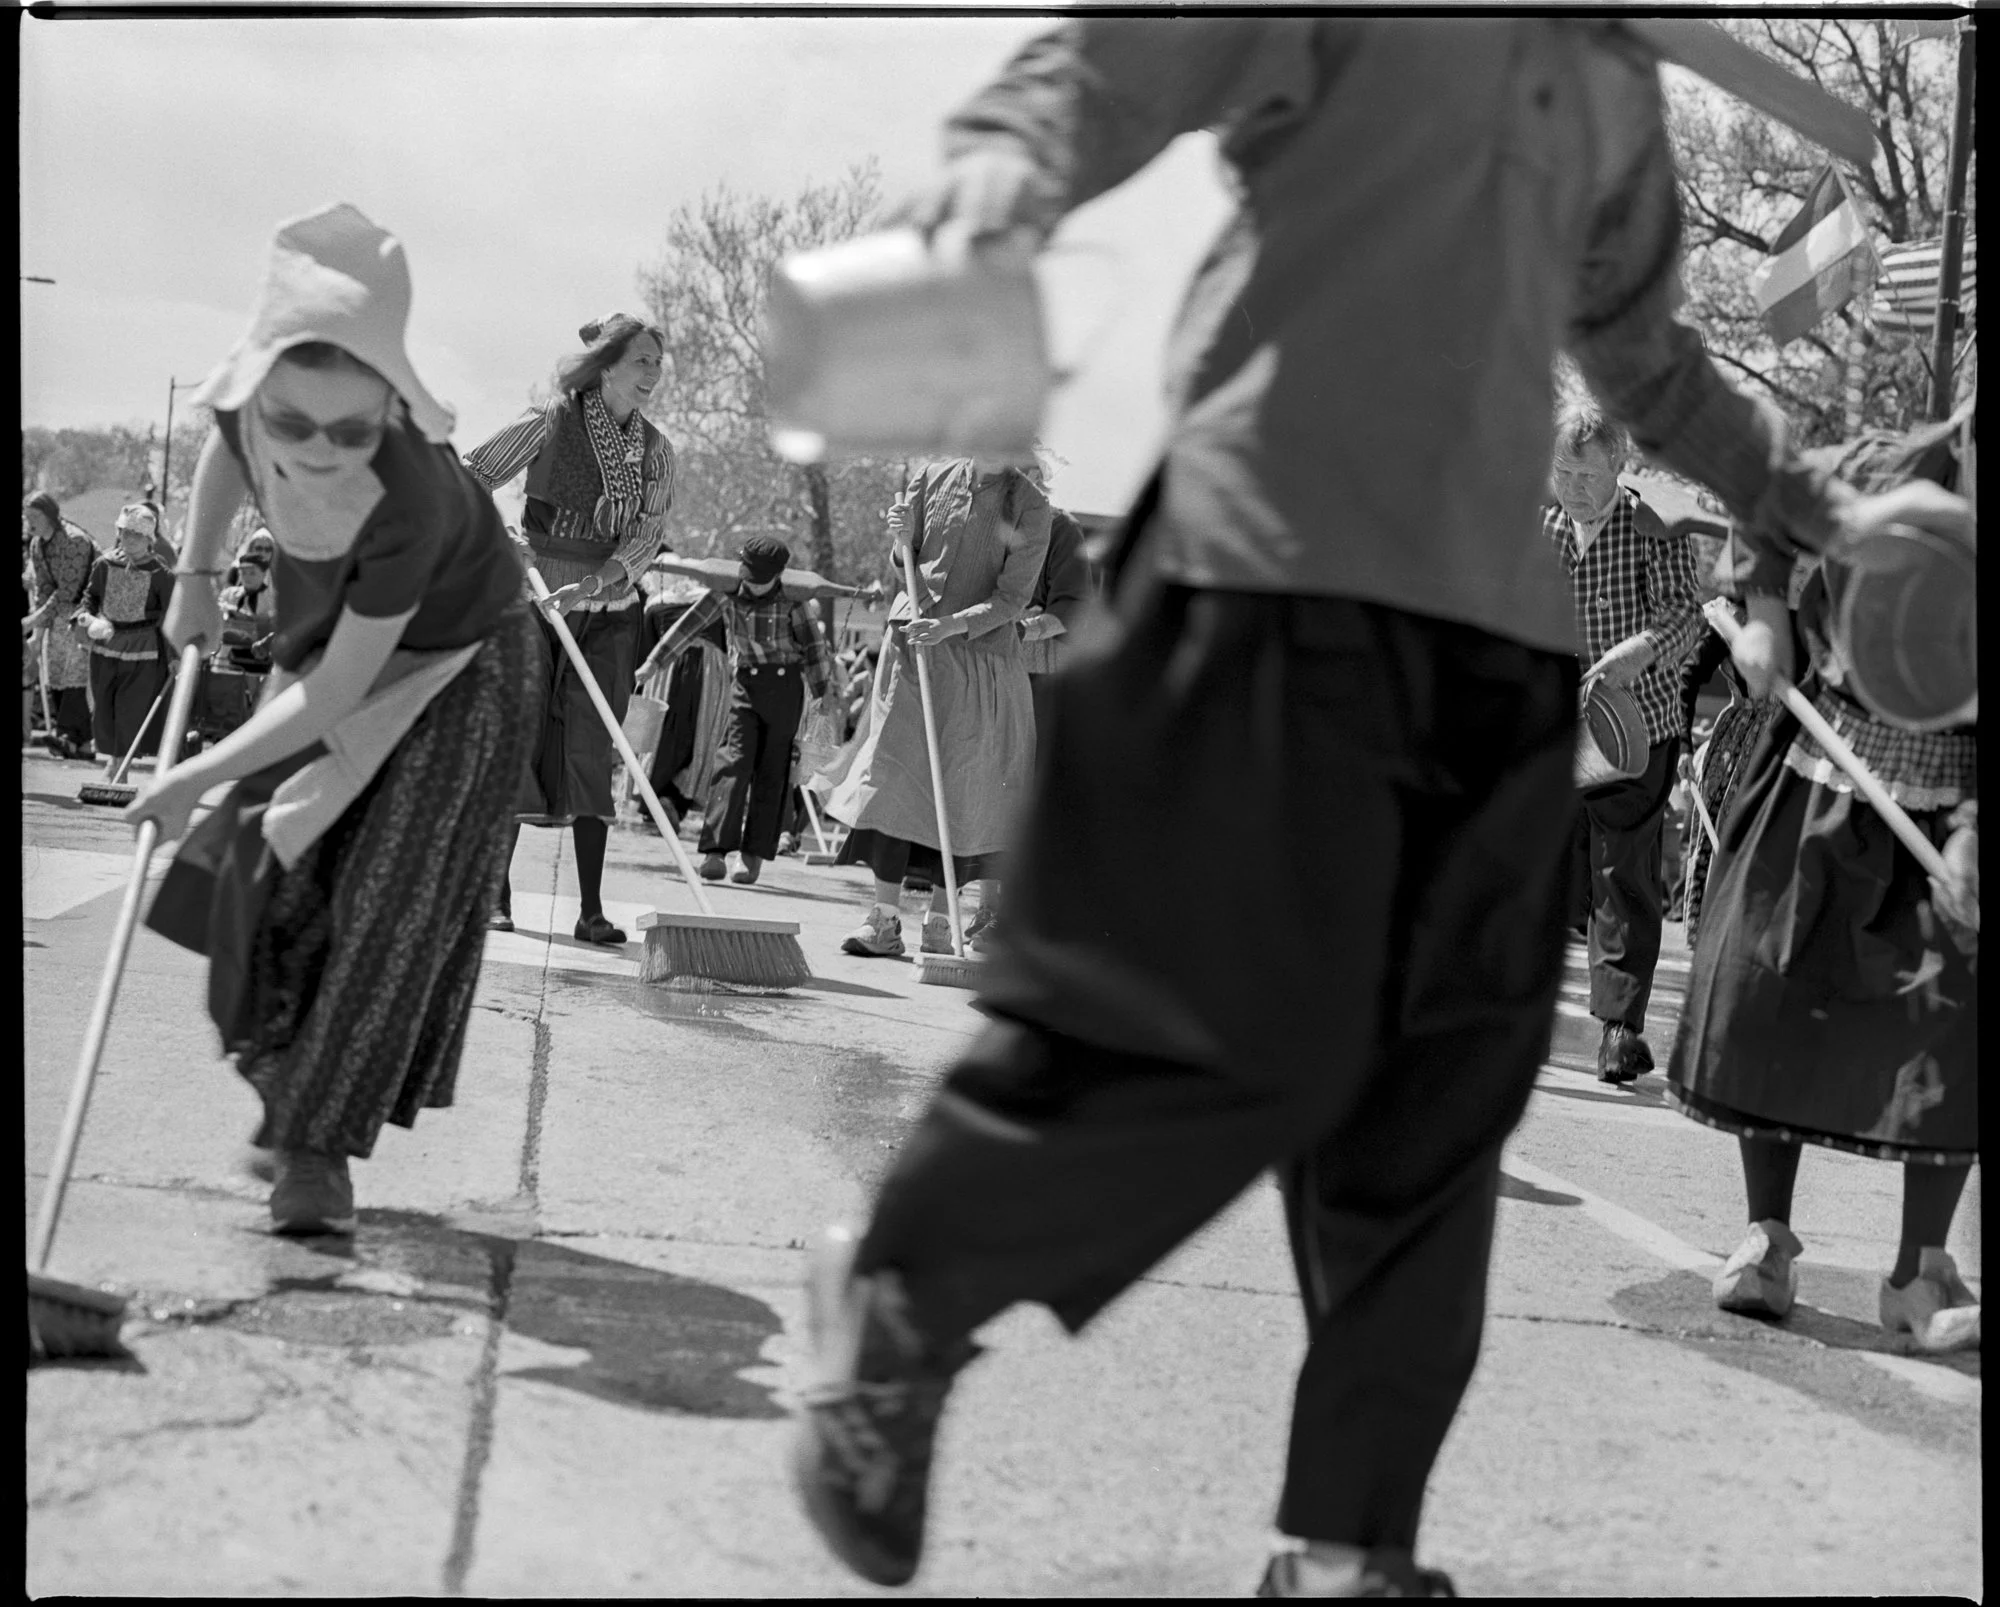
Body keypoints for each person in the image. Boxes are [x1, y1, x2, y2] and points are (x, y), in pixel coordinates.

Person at [783, 19, 1980, 1599]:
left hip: (1494, 646)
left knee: (1440, 1105)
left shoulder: (1612, 87)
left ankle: (1349, 1541)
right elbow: (1109, 68)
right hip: (1263, 575)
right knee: (1200, 1026)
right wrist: (997, 180)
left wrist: (1815, 498)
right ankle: (902, 1301)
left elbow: (1643, 357)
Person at [131, 202, 537, 1237]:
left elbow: (346, 686)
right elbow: (225, 447)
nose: (318, 451)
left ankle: (316, 1154)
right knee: (274, 864)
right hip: (336, 649)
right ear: (261, 390)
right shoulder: (250, 408)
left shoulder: (413, 493)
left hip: (466, 660)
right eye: (294, 424)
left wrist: (189, 776)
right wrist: (196, 569)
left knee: (387, 894)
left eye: (350, 429)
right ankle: (292, 1087)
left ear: (391, 409)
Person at [1667, 428, 1979, 1354]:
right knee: (1767, 993)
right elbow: (1765, 491)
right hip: (1824, 756)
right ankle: (1766, 1235)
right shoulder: (1880, 466)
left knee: (1956, 1025)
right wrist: (1765, 612)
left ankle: (1921, 1271)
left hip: (1956, 788)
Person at [463, 314, 676, 944]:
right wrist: (505, 539)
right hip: (532, 601)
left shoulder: (657, 450)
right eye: (641, 361)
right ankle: (494, 896)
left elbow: (648, 531)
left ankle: (590, 910)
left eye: (657, 364)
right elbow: (471, 474)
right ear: (606, 365)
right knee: (518, 737)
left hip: (607, 607)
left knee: (592, 747)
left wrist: (604, 577)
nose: (653, 374)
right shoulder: (549, 421)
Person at [827, 457, 1050, 958]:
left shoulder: (1032, 507)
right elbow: (906, 559)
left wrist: (951, 626)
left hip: (975, 664)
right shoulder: (931, 477)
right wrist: (899, 538)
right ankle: (882, 921)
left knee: (958, 788)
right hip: (909, 651)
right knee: (890, 778)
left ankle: (940, 920)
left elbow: (1013, 600)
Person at [1545, 402, 1703, 1082]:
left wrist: (1637, 651)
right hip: (1553, 728)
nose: (1573, 486)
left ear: (1618, 465)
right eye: (1562, 471)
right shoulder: (1541, 524)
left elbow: (1684, 620)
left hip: (1632, 730)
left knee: (1622, 874)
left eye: (1586, 472)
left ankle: (1619, 1029)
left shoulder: (1652, 529)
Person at [633, 536, 839, 883]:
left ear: (776, 577)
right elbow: (687, 626)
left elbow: (815, 650)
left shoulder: (794, 603)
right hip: (744, 685)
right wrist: (652, 665)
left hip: (785, 687)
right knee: (733, 762)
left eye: (758, 577)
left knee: (772, 770)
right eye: (746, 572)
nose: (750, 582)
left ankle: (752, 855)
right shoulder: (725, 592)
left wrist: (824, 695)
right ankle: (715, 851)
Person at [75, 504, 175, 773]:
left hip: (143, 650)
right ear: (118, 532)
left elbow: (171, 614)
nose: (129, 539)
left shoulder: (160, 573)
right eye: (125, 532)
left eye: (136, 534)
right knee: (104, 706)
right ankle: (114, 757)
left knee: (131, 709)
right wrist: (86, 616)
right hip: (105, 645)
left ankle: (122, 767)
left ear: (148, 539)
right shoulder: (104, 564)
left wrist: (174, 655)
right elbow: (90, 596)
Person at [22, 491, 98, 758]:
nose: (28, 521)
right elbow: (44, 589)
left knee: (73, 668)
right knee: (55, 669)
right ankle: (81, 743)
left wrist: (33, 620)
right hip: (60, 610)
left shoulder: (74, 541)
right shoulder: (36, 545)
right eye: (26, 516)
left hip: (87, 607)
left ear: (50, 515)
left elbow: (68, 591)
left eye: (35, 516)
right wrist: (36, 634)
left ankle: (68, 735)